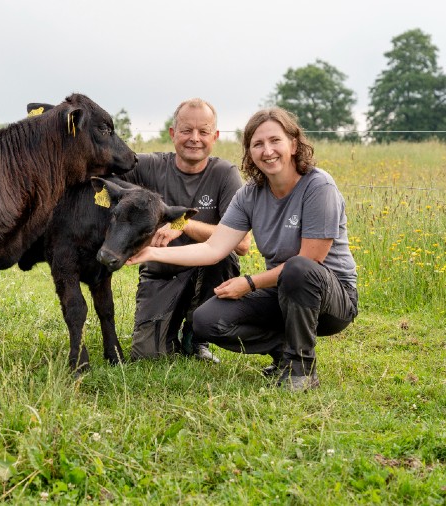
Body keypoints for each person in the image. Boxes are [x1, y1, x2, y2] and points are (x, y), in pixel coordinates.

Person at [127, 107, 358, 391]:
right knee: (206, 321)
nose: (267, 151)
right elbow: (213, 248)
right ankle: (286, 350)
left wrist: (249, 283)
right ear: (249, 152)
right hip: (283, 293)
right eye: (257, 144)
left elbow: (312, 260)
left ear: (294, 144)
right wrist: (151, 253)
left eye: (275, 141)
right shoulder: (249, 194)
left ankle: (301, 370)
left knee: (299, 268)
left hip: (331, 299)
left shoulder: (318, 186)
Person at [121, 98, 249, 362]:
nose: (194, 138)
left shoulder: (225, 175)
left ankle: (196, 337)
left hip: (204, 273)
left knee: (224, 255)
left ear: (214, 136)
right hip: (161, 273)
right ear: (172, 133)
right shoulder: (148, 166)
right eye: (186, 130)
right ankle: (165, 333)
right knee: (147, 356)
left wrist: (182, 223)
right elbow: (103, 176)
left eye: (203, 132)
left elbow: (242, 244)